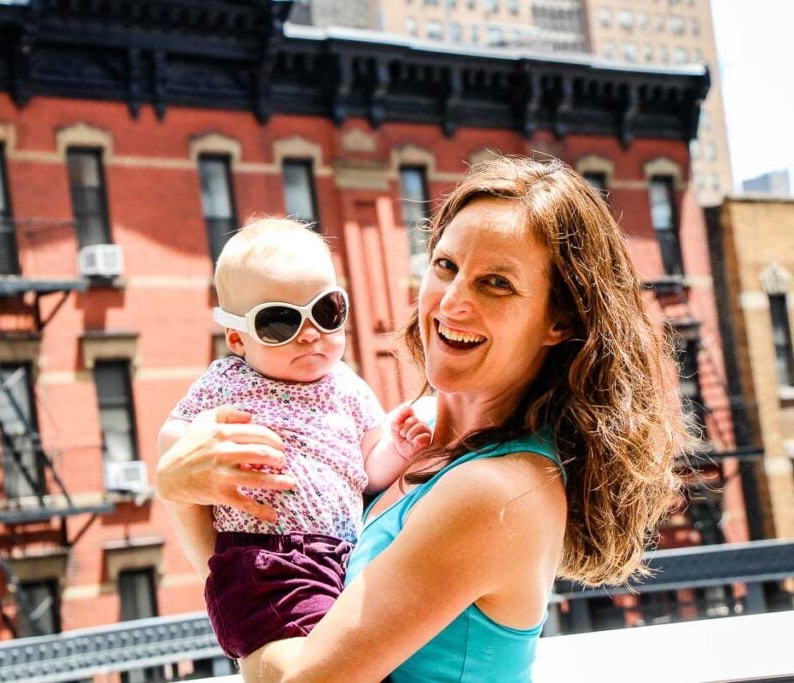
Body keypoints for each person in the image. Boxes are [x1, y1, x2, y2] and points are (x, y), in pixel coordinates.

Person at [157, 156, 691, 682]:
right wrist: (187, 487)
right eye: (446, 266)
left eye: (496, 283)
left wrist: (183, 504)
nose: (451, 302)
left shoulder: (497, 491)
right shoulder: (419, 432)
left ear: (559, 321)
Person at [158, 218, 433, 661]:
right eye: (279, 322)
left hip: (341, 554)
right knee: (334, 658)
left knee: (365, 649)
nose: (309, 333)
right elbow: (175, 441)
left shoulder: (347, 385)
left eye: (326, 311)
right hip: (265, 562)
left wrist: (399, 449)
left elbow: (369, 468)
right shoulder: (228, 380)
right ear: (237, 338)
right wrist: (195, 452)